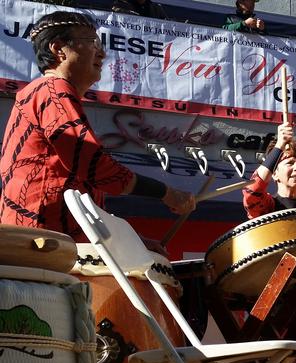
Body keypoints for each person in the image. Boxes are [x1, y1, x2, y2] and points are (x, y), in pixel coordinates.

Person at [0, 11, 193, 250]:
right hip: (42, 241)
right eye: (92, 43)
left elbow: (85, 183)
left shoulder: (47, 94)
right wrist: (166, 193)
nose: (101, 53)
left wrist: (132, 243)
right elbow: (95, 166)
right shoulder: (52, 89)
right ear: (59, 49)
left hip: (47, 238)